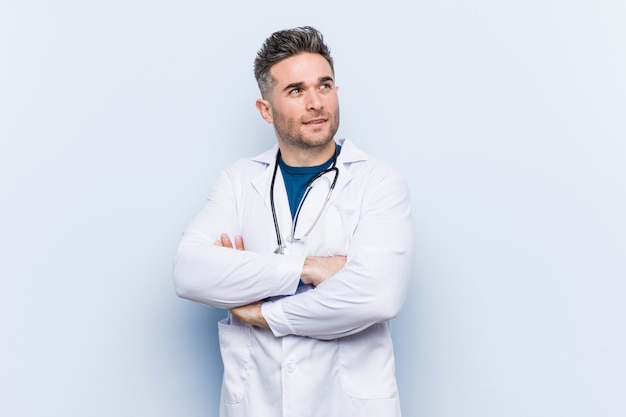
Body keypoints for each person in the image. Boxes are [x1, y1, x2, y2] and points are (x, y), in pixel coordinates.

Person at [173, 26, 415, 417]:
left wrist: (262, 312)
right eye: (296, 90)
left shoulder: (378, 181)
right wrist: (308, 268)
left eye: (325, 85)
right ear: (265, 110)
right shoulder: (238, 181)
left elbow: (376, 295)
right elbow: (189, 271)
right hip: (257, 403)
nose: (316, 102)